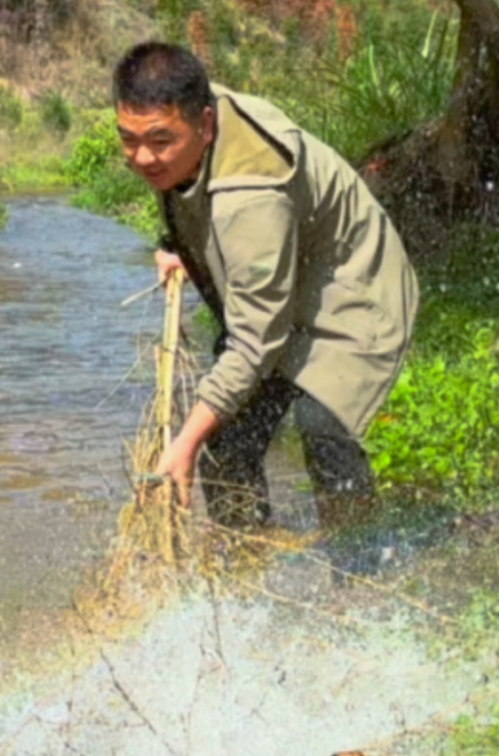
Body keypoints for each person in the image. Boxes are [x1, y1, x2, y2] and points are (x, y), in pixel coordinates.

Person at [112, 42, 417, 534]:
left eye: (160, 140)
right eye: (129, 139)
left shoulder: (252, 192)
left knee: (324, 426)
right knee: (226, 438)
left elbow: (256, 342)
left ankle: (362, 575)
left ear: (205, 125)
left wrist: (182, 444)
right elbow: (191, 195)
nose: (143, 157)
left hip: (351, 284)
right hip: (282, 274)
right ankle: (242, 573)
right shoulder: (187, 125)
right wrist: (178, 245)